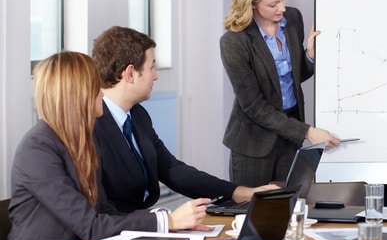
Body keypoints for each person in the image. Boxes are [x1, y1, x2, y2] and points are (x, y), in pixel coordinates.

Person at [0, 52, 208, 240]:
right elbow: (90, 226)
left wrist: (170, 226)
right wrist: (168, 221)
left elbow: (105, 212)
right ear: (76, 94)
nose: (101, 93)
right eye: (95, 87)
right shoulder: (38, 149)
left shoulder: (83, 142)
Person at [92, 26, 277, 213]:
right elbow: (98, 211)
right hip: (114, 233)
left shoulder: (138, 115)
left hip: (138, 227)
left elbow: (172, 170)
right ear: (130, 74)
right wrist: (164, 223)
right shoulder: (90, 126)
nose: (155, 76)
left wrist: (241, 193)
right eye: (151, 67)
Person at [220, 0, 340, 187]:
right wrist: (307, 132)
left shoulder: (293, 19)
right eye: (273, 4)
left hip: (289, 136)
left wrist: (310, 55)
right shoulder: (234, 41)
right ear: (252, 3)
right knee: (253, 211)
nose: (282, 8)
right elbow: (254, 106)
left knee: (289, 208)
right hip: (253, 144)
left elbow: (295, 78)